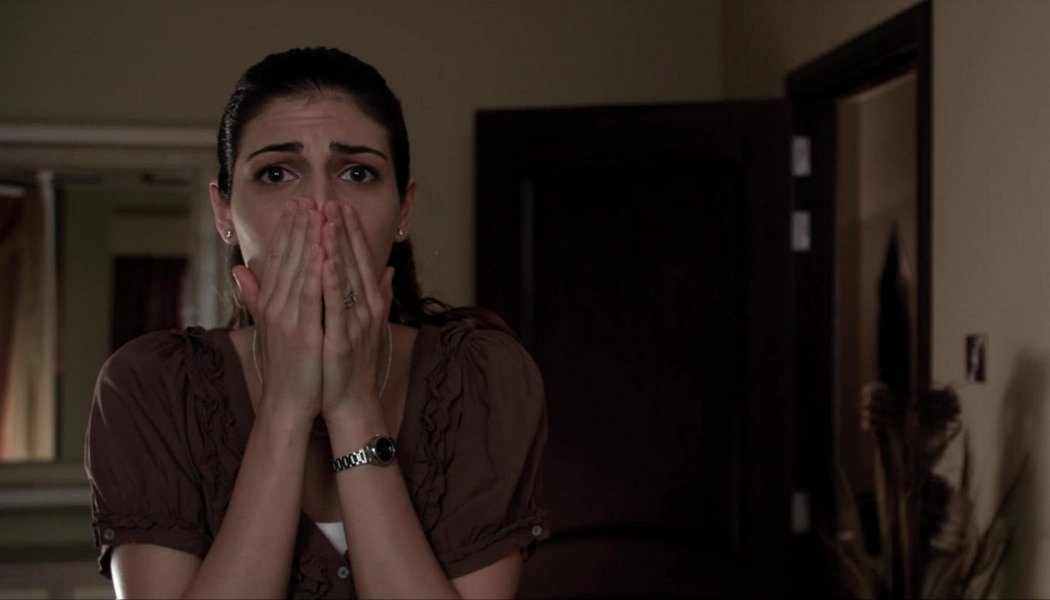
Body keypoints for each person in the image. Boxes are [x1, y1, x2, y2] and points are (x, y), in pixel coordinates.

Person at [85, 47, 548, 599]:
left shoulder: (480, 379)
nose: (321, 209)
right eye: (277, 174)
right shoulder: (150, 386)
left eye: (357, 172)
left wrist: (352, 405)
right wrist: (286, 406)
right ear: (224, 211)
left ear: (403, 209)